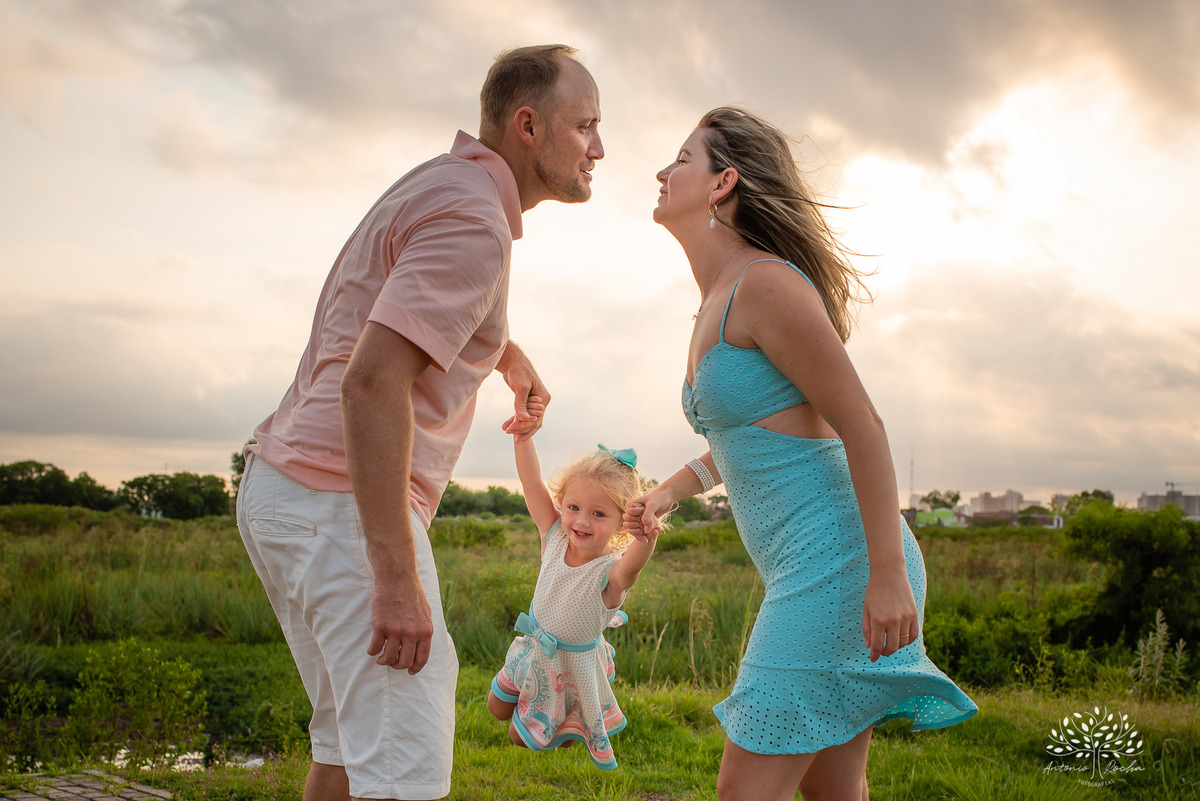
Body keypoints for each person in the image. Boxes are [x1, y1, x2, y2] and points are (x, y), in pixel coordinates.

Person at [234, 45, 603, 801]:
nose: (599, 148)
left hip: (286, 493)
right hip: (342, 506)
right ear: (527, 126)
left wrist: (502, 349)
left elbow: (394, 304)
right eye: (586, 126)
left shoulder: (444, 184)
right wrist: (396, 577)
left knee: (347, 747)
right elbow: (371, 383)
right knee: (402, 777)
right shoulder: (475, 219)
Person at [624, 107, 977, 801]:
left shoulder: (767, 285)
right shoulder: (714, 302)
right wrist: (668, 493)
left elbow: (863, 426)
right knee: (835, 793)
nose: (662, 172)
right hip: (810, 568)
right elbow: (750, 440)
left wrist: (885, 575)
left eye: (682, 159)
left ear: (724, 182)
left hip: (843, 567)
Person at [486, 402, 659, 770]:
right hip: (533, 646)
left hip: (568, 665)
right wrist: (522, 439)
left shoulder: (610, 571)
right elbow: (531, 484)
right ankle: (552, 717)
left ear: (620, 522)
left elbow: (633, 570)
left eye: (598, 514)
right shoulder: (554, 537)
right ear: (562, 505)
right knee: (496, 708)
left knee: (521, 737)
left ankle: (564, 722)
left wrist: (646, 534)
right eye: (573, 507)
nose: (581, 521)